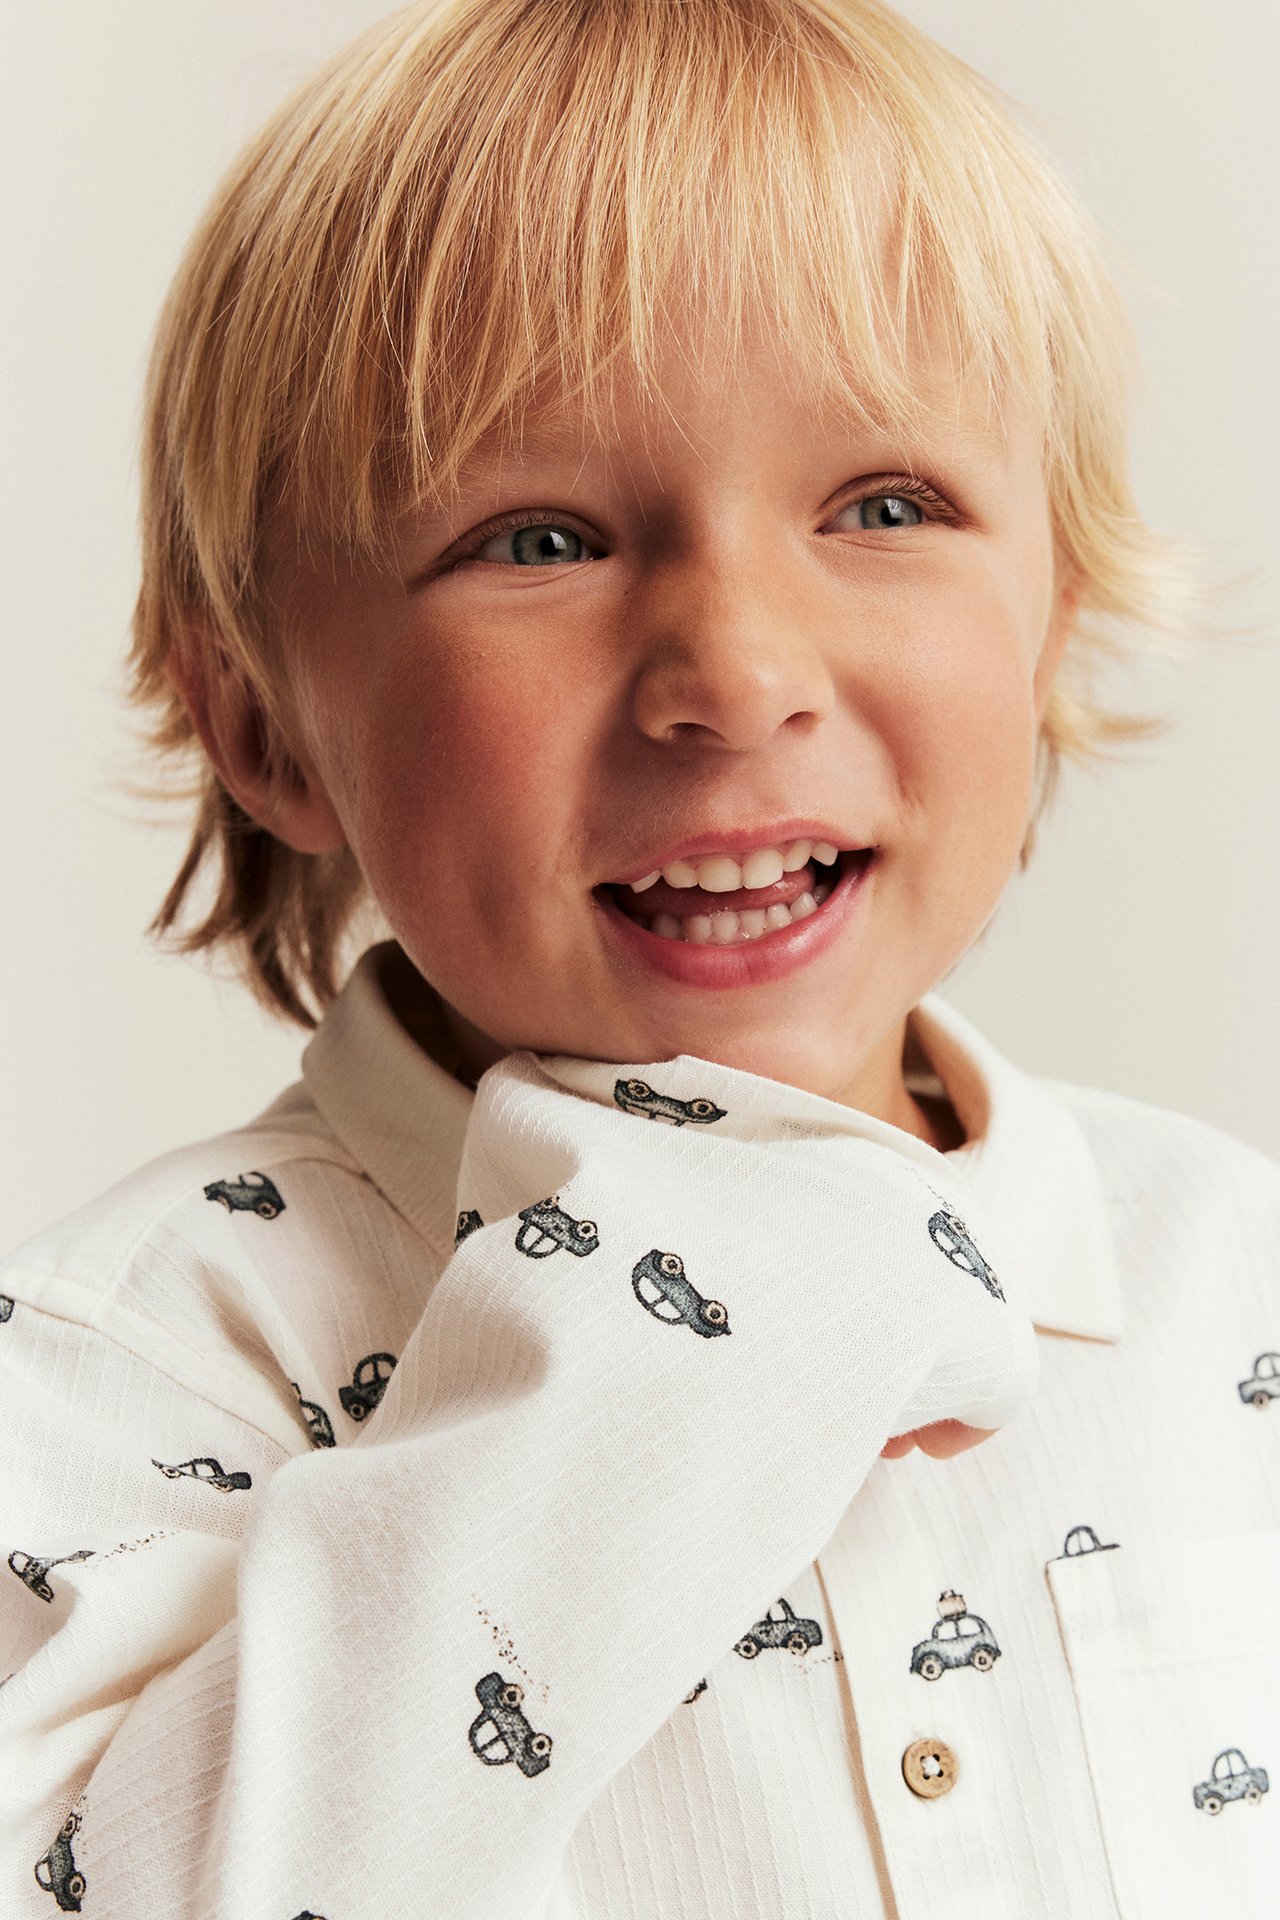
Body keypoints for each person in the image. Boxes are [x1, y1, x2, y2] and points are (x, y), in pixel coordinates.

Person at [2, 2, 1276, 1915]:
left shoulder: (1222, 1280)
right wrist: (695, 1324)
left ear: (1053, 621)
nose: (741, 676)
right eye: (540, 536)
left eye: (884, 505)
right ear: (264, 722)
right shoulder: (134, 1375)